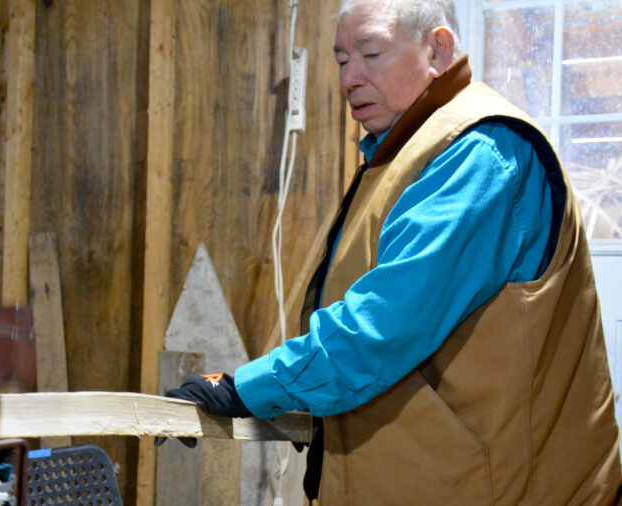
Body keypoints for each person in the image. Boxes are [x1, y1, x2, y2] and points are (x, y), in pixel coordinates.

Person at [162, 0, 622, 503]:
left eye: (372, 52)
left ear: (438, 49)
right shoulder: (403, 152)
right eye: (341, 60)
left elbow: (382, 328)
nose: (350, 78)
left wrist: (244, 388)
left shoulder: (479, 153)